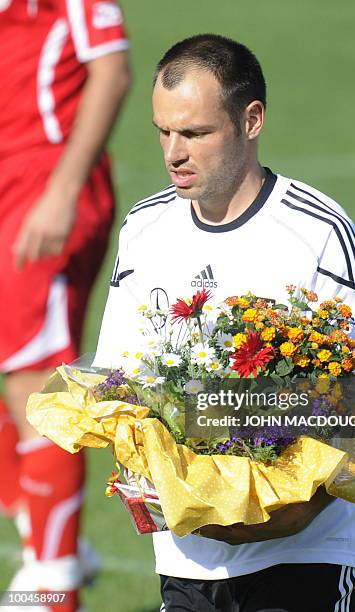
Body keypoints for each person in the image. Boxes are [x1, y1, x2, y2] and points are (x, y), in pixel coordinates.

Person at [93, 34, 355, 612]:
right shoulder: (143, 230)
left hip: (309, 549)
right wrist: (157, 488)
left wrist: (284, 513)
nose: (173, 153)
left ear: (251, 119)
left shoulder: (320, 232)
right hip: (188, 550)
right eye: (164, 132)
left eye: (195, 133)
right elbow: (117, 385)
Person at [0, 1, 130, 610]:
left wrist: (63, 189)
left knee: (35, 378)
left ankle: (50, 584)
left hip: (41, 180)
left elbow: (112, 68)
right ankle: (54, 547)